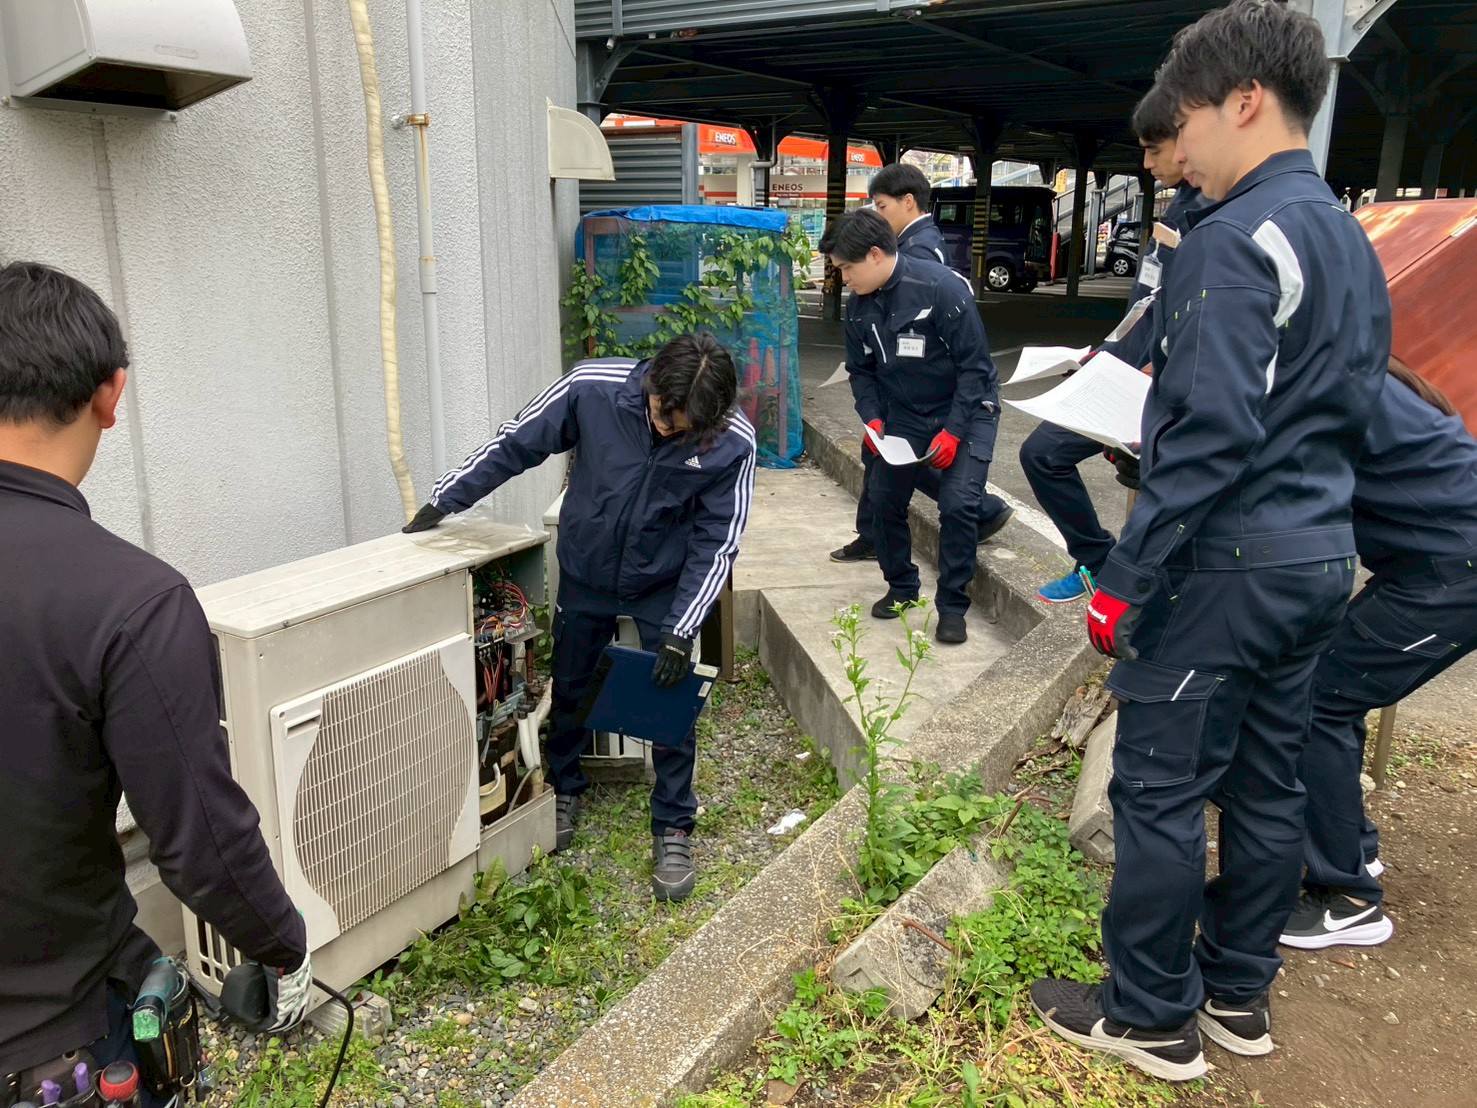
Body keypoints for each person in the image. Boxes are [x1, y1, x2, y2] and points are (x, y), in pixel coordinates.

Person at [1029, 0, 1392, 1081]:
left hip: (1223, 569)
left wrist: (1125, 578)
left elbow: (1208, 434)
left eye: (1184, 121)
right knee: (1270, 783)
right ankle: (1236, 992)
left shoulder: (1231, 241)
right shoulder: (1343, 233)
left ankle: (1148, 1014)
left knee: (1159, 788)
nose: (1177, 149)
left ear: (1244, 100)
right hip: (1316, 556)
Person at [0, 262, 311, 1105]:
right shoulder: (129, 601)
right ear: (111, 394)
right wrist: (283, 945)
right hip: (54, 1032)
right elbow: (200, 844)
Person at [403, 333, 754, 902]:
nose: (667, 430)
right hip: (587, 570)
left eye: (682, 429)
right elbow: (516, 444)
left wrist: (682, 627)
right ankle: (565, 785)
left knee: (669, 697)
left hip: (662, 580)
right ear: (651, 383)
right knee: (570, 684)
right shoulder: (591, 388)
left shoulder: (731, 440)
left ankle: (672, 825)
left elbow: (719, 540)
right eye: (662, 416)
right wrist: (446, 500)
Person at [1279, 359, 1477, 950]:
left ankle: (1347, 899)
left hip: (1451, 578)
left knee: (1316, 702)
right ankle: (1353, 847)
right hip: (1430, 568)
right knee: (1335, 689)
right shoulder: (1362, 368)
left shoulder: (1326, 384)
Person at [1022, 85, 1208, 604]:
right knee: (1041, 454)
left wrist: (1160, 369)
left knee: (1149, 488)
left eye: (1153, 150)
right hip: (1123, 369)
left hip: (1157, 385)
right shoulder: (1179, 209)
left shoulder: (1217, 216)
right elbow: (1146, 304)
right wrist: (1102, 353)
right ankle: (1098, 560)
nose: (1146, 164)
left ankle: (1132, 587)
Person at [820, 208, 1002, 646]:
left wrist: (954, 432)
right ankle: (902, 587)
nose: (843, 278)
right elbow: (860, 371)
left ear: (875, 254)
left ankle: (952, 605)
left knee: (958, 504)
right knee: (883, 497)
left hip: (966, 408)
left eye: (846, 268)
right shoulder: (859, 306)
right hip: (902, 413)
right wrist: (873, 419)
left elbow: (976, 369)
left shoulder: (941, 289)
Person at [830, 163, 1013, 564]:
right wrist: (873, 413)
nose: (878, 216)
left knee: (918, 470)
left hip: (931, 394)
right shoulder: (902, 246)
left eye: (881, 206)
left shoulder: (919, 253)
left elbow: (970, 363)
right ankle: (878, 536)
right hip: (903, 394)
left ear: (908, 201)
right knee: (883, 464)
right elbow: (861, 367)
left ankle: (977, 510)